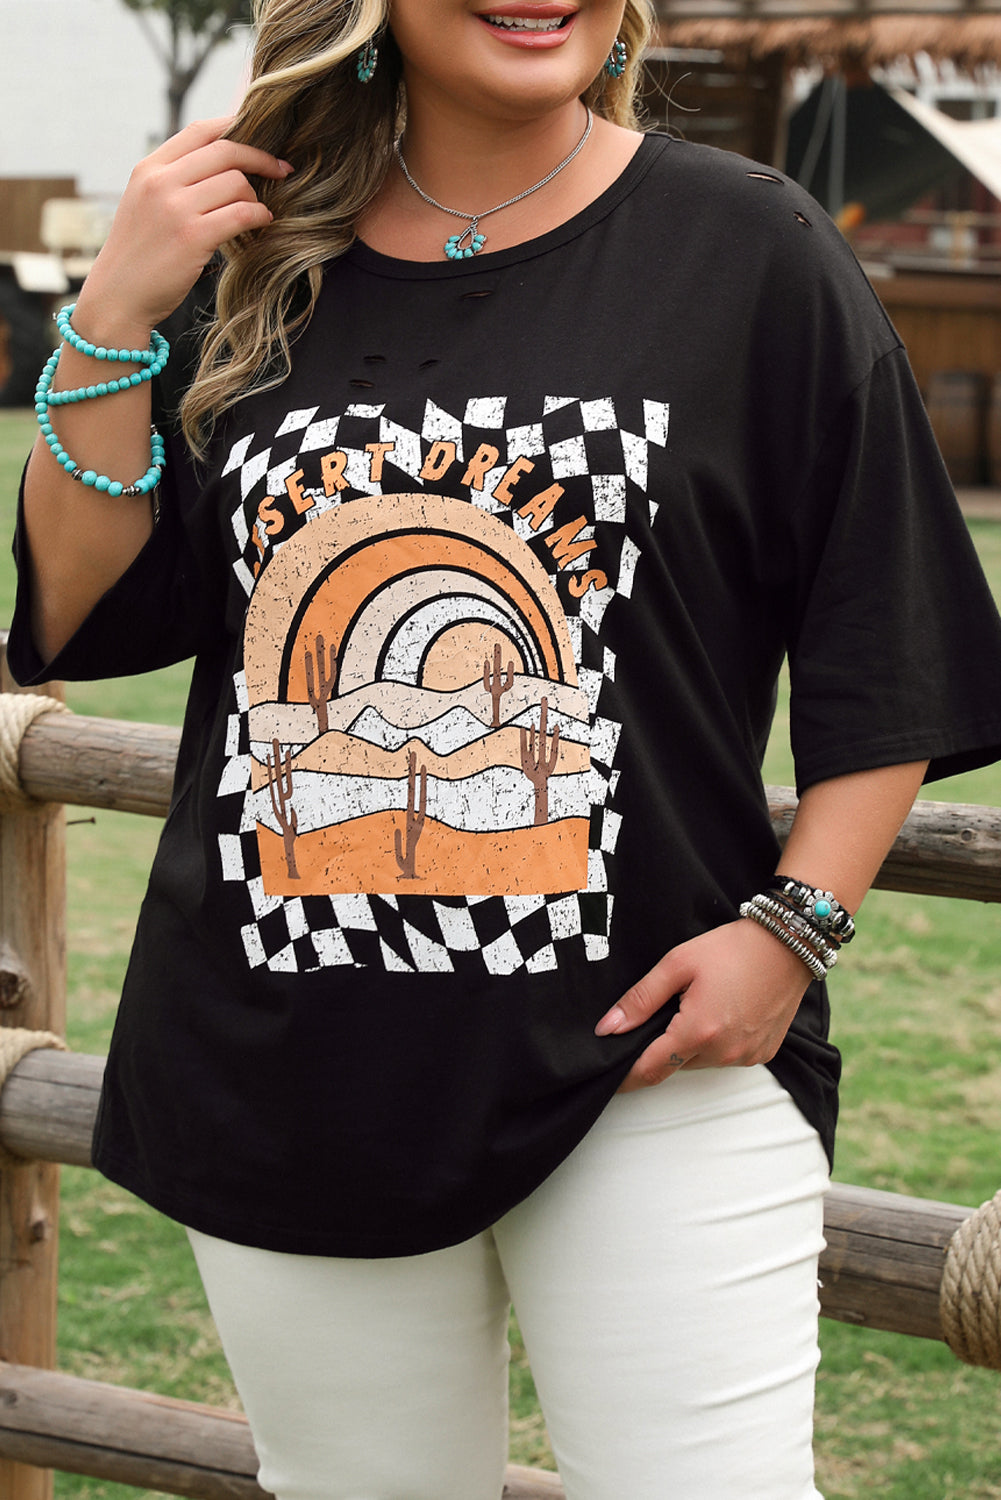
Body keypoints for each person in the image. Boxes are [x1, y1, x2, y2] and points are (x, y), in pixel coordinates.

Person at [10, 2, 1001, 1497]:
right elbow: (79, 610)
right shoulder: (257, 257)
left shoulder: (751, 249)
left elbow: (891, 634)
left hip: (654, 1057)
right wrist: (112, 316)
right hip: (291, 1067)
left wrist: (791, 932)